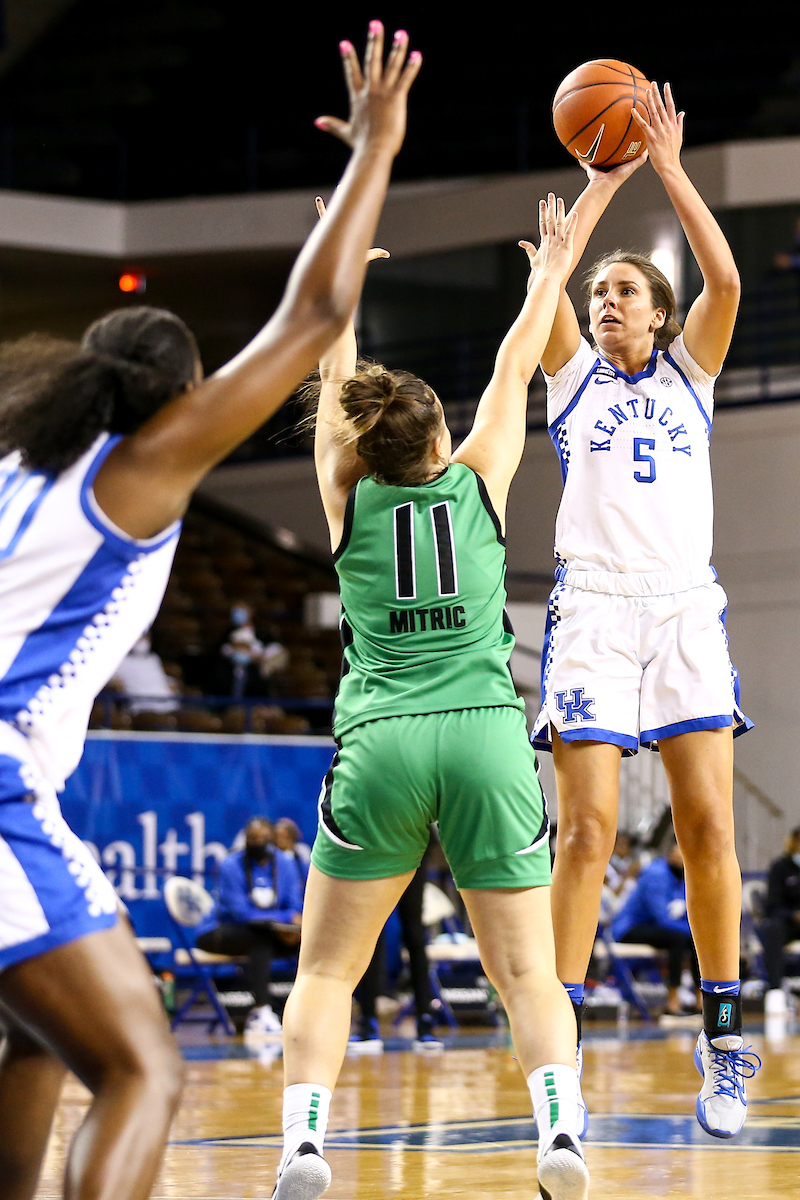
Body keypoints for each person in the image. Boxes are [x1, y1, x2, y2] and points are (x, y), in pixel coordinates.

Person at [0, 25, 420, 1200]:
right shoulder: (132, 471)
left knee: (40, 1030)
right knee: (142, 1069)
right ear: (182, 406)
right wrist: (373, 150)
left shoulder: (15, 471)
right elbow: (309, 315)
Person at [273, 180, 589, 1200]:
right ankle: (559, 1138)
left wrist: (336, 268)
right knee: (527, 974)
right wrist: (548, 266)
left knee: (326, 973)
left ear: (365, 440)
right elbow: (515, 359)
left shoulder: (342, 486)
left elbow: (331, 369)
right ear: (441, 442)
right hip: (487, 736)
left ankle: (304, 1149)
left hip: (383, 739)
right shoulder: (480, 475)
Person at [532, 82, 760, 1140]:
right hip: (590, 609)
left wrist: (665, 166)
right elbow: (543, 295)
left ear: (660, 314)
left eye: (625, 290)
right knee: (581, 833)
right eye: (599, 293)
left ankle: (722, 1044)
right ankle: (558, 1059)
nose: (606, 302)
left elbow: (723, 275)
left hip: (680, 609)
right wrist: (591, 191)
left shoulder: (688, 379)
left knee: (707, 829)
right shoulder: (570, 379)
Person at [196, 817, 304, 1037]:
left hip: (271, 933)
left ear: (272, 840)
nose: (258, 842)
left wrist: (288, 926)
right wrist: (283, 919)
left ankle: (302, 1012)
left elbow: (296, 907)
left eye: (264, 838)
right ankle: (262, 1011)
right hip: (220, 930)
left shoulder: (285, 864)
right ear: (245, 840)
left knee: (307, 943)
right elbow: (242, 914)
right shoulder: (230, 865)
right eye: (252, 838)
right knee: (259, 935)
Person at [611, 840, 701, 1017]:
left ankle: (700, 1000)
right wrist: (692, 930)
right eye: (678, 859)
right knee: (679, 938)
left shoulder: (685, 875)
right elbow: (662, 918)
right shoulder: (655, 874)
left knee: (696, 941)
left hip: (657, 926)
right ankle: (672, 1002)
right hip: (631, 927)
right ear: (669, 857)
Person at [759, 826, 800, 1014]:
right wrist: (793, 915)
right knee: (771, 927)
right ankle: (774, 988)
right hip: (787, 922)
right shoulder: (780, 868)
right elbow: (773, 905)